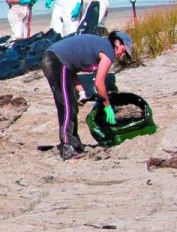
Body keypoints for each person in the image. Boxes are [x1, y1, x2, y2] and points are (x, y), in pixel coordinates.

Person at [41, 30, 133, 159]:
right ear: (117, 42)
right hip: (55, 60)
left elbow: (72, 66)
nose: (123, 54)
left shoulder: (101, 45)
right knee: (66, 106)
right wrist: (107, 107)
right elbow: (99, 83)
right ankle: (68, 147)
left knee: (71, 105)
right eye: (124, 50)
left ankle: (75, 144)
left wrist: (81, 91)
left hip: (57, 60)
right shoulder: (109, 51)